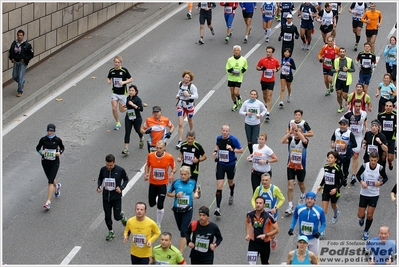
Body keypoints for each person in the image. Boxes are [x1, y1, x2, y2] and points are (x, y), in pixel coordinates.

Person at [356, 152, 388, 240]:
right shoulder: (364, 166)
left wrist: (380, 183)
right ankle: (362, 218)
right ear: (369, 159)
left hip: (374, 194)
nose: (373, 162)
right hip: (364, 193)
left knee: (370, 215)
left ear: (377, 160)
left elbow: (385, 178)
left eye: (374, 160)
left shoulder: (380, 168)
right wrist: (361, 182)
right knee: (360, 214)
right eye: (371, 160)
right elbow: (358, 175)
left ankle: (366, 231)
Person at [212, 125, 243, 216]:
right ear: (221, 131)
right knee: (219, 186)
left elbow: (241, 150)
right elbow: (217, 144)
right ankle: (218, 207)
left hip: (230, 164)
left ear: (229, 132)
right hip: (221, 164)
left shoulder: (233, 140)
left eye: (226, 131)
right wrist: (215, 151)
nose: (225, 132)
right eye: (223, 130)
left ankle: (231, 193)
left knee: (230, 183)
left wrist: (232, 149)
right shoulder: (219, 138)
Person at [144, 140, 177, 227]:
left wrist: (172, 173)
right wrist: (146, 174)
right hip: (153, 182)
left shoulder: (169, 157)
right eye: (157, 148)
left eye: (160, 148)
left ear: (164, 148)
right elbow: (147, 165)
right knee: (151, 203)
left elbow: (174, 167)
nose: (158, 150)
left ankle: (158, 224)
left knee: (160, 204)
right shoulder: (150, 155)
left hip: (163, 183)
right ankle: (157, 197)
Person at [167, 166, 199, 253]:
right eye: (182, 174)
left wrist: (196, 193)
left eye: (185, 174)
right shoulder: (176, 183)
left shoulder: (193, 182)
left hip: (188, 209)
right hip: (177, 210)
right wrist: (176, 195)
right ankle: (187, 235)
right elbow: (168, 193)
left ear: (189, 175)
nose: (183, 176)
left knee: (183, 231)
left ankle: (180, 252)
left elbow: (196, 189)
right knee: (181, 229)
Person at [97, 154, 129, 241]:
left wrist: (121, 188)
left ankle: (122, 216)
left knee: (116, 217)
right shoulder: (103, 170)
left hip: (116, 198)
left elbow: (126, 179)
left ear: (114, 162)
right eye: (107, 165)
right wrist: (99, 186)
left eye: (111, 165)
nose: (109, 167)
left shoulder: (120, 170)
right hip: (106, 198)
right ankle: (111, 231)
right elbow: (100, 178)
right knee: (107, 216)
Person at [251, 174, 284, 251]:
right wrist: (254, 206)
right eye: (263, 180)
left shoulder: (274, 189)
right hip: (261, 213)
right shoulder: (259, 189)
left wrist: (276, 208)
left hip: (272, 214)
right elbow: (253, 199)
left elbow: (282, 199)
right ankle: (261, 247)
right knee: (260, 230)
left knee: (271, 233)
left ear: (270, 180)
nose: (264, 182)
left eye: (266, 180)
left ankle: (273, 239)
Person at [36, 123, 65, 210]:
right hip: (45, 162)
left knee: (50, 182)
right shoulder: (43, 139)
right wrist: (41, 152)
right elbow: (37, 148)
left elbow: (62, 148)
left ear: (54, 131)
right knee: (50, 178)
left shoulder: (57, 140)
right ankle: (57, 186)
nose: (50, 132)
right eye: (48, 131)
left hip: (54, 162)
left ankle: (48, 201)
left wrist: (59, 152)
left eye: (51, 131)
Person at [281, 125, 309, 214]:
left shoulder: (305, 140)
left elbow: (304, 140)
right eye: (296, 132)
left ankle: (303, 194)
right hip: (291, 166)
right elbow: (282, 141)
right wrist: (290, 132)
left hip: (300, 167)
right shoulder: (291, 139)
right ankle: (290, 206)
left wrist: (297, 130)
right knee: (290, 187)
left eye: (299, 132)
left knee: (301, 184)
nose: (297, 133)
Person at [288, 191, 326, 255]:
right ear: (306, 200)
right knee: (301, 258)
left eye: (311, 199)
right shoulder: (299, 208)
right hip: (302, 239)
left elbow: (324, 223)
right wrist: (291, 228)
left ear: (314, 200)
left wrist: (319, 232)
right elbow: (294, 218)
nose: (309, 201)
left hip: (313, 239)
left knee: (313, 259)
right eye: (308, 199)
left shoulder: (319, 211)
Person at [245, 196, 279, 264]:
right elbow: (247, 222)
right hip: (253, 243)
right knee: (251, 263)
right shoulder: (250, 215)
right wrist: (248, 234)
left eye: (260, 203)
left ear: (264, 205)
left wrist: (266, 235)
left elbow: (277, 230)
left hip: (265, 243)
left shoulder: (269, 217)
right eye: (257, 203)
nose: (258, 205)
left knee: (264, 263)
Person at [342, 99, 368, 185]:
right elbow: (341, 121)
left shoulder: (363, 113)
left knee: (355, 155)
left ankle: (353, 175)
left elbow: (365, 119)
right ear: (353, 106)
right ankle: (344, 172)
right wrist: (346, 126)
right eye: (356, 106)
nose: (357, 108)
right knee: (344, 155)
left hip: (358, 136)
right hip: (349, 136)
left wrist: (366, 127)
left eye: (359, 106)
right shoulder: (348, 114)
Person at [317, 151, 344, 229]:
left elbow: (342, 180)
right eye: (328, 157)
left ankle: (336, 214)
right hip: (325, 190)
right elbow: (325, 177)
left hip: (334, 191)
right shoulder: (325, 167)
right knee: (324, 210)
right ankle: (323, 229)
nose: (329, 159)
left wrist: (336, 189)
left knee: (333, 205)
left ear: (335, 159)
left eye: (331, 158)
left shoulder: (337, 168)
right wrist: (320, 185)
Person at [106, 55, 133, 130]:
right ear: (113, 62)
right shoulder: (112, 71)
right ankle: (117, 122)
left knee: (122, 110)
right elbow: (108, 77)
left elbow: (131, 79)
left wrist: (124, 82)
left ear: (120, 63)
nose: (116, 64)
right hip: (114, 92)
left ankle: (132, 114)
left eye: (118, 62)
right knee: (114, 108)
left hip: (123, 94)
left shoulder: (124, 71)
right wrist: (108, 81)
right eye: (115, 62)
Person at [256, 46, 281, 121]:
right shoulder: (262, 60)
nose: (268, 53)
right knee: (265, 95)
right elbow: (257, 67)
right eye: (267, 52)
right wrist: (261, 69)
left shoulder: (275, 61)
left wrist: (276, 69)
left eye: (269, 52)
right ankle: (266, 104)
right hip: (263, 80)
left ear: (272, 53)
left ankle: (268, 113)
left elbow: (279, 66)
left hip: (271, 81)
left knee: (269, 96)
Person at [239, 90, 267, 155]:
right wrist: (246, 113)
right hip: (248, 124)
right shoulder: (246, 103)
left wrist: (260, 115)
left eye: (254, 94)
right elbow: (240, 111)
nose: (253, 96)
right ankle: (251, 154)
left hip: (256, 124)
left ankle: (255, 153)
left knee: (254, 140)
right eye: (252, 94)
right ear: (250, 95)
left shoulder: (259, 103)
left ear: (256, 96)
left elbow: (265, 110)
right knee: (249, 141)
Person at [330, 118, 357, 186]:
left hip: (346, 154)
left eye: (344, 125)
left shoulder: (349, 133)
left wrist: (346, 146)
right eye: (341, 125)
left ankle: (345, 178)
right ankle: (337, 180)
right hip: (337, 154)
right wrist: (332, 143)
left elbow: (355, 144)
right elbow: (333, 137)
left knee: (345, 169)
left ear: (347, 125)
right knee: (337, 168)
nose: (342, 126)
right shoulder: (336, 131)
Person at [175, 70, 198, 149]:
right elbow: (179, 91)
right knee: (180, 124)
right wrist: (178, 95)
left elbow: (196, 96)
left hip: (189, 106)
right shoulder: (180, 84)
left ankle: (191, 131)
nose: (186, 78)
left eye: (188, 77)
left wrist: (189, 95)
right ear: (183, 77)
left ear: (190, 79)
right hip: (181, 105)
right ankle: (180, 141)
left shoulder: (192, 86)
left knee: (190, 120)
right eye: (185, 77)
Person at [8, 29, 34, 97]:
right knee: (14, 76)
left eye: (21, 35)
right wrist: (11, 58)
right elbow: (10, 51)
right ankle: (22, 81)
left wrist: (25, 59)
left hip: (22, 63)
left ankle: (20, 91)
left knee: (20, 77)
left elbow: (31, 54)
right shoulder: (14, 43)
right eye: (18, 35)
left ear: (23, 36)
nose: (19, 37)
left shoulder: (27, 45)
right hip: (16, 63)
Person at [331, 47, 356, 113]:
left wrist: (347, 69)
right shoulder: (336, 60)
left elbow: (353, 69)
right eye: (341, 52)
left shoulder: (349, 60)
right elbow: (332, 69)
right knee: (338, 94)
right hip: (338, 80)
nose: (342, 53)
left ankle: (348, 99)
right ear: (339, 53)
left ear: (345, 52)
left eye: (343, 52)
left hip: (346, 80)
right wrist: (335, 70)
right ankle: (341, 106)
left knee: (344, 95)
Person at [122, 85, 144, 155]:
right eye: (130, 90)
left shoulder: (138, 99)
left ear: (135, 92)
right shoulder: (128, 98)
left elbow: (141, 109)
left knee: (137, 130)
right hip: (129, 117)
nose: (131, 92)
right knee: (127, 132)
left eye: (132, 91)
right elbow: (128, 106)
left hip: (136, 118)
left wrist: (134, 105)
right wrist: (125, 106)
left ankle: (141, 137)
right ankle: (126, 149)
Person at [226, 45, 248, 111]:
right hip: (231, 78)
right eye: (235, 50)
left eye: (237, 50)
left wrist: (243, 70)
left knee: (235, 92)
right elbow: (227, 68)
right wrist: (230, 70)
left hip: (238, 78)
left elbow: (245, 67)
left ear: (240, 51)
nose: (236, 51)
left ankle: (238, 97)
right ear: (233, 51)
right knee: (232, 93)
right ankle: (235, 104)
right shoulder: (230, 59)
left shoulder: (243, 60)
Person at [377, 101, 397, 171]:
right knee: (383, 157)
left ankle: (390, 162)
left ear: (392, 107)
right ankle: (383, 172)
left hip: (391, 138)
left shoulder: (395, 115)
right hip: (383, 138)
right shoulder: (380, 115)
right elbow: (378, 126)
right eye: (387, 106)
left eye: (390, 106)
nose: (388, 108)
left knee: (390, 158)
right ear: (385, 107)